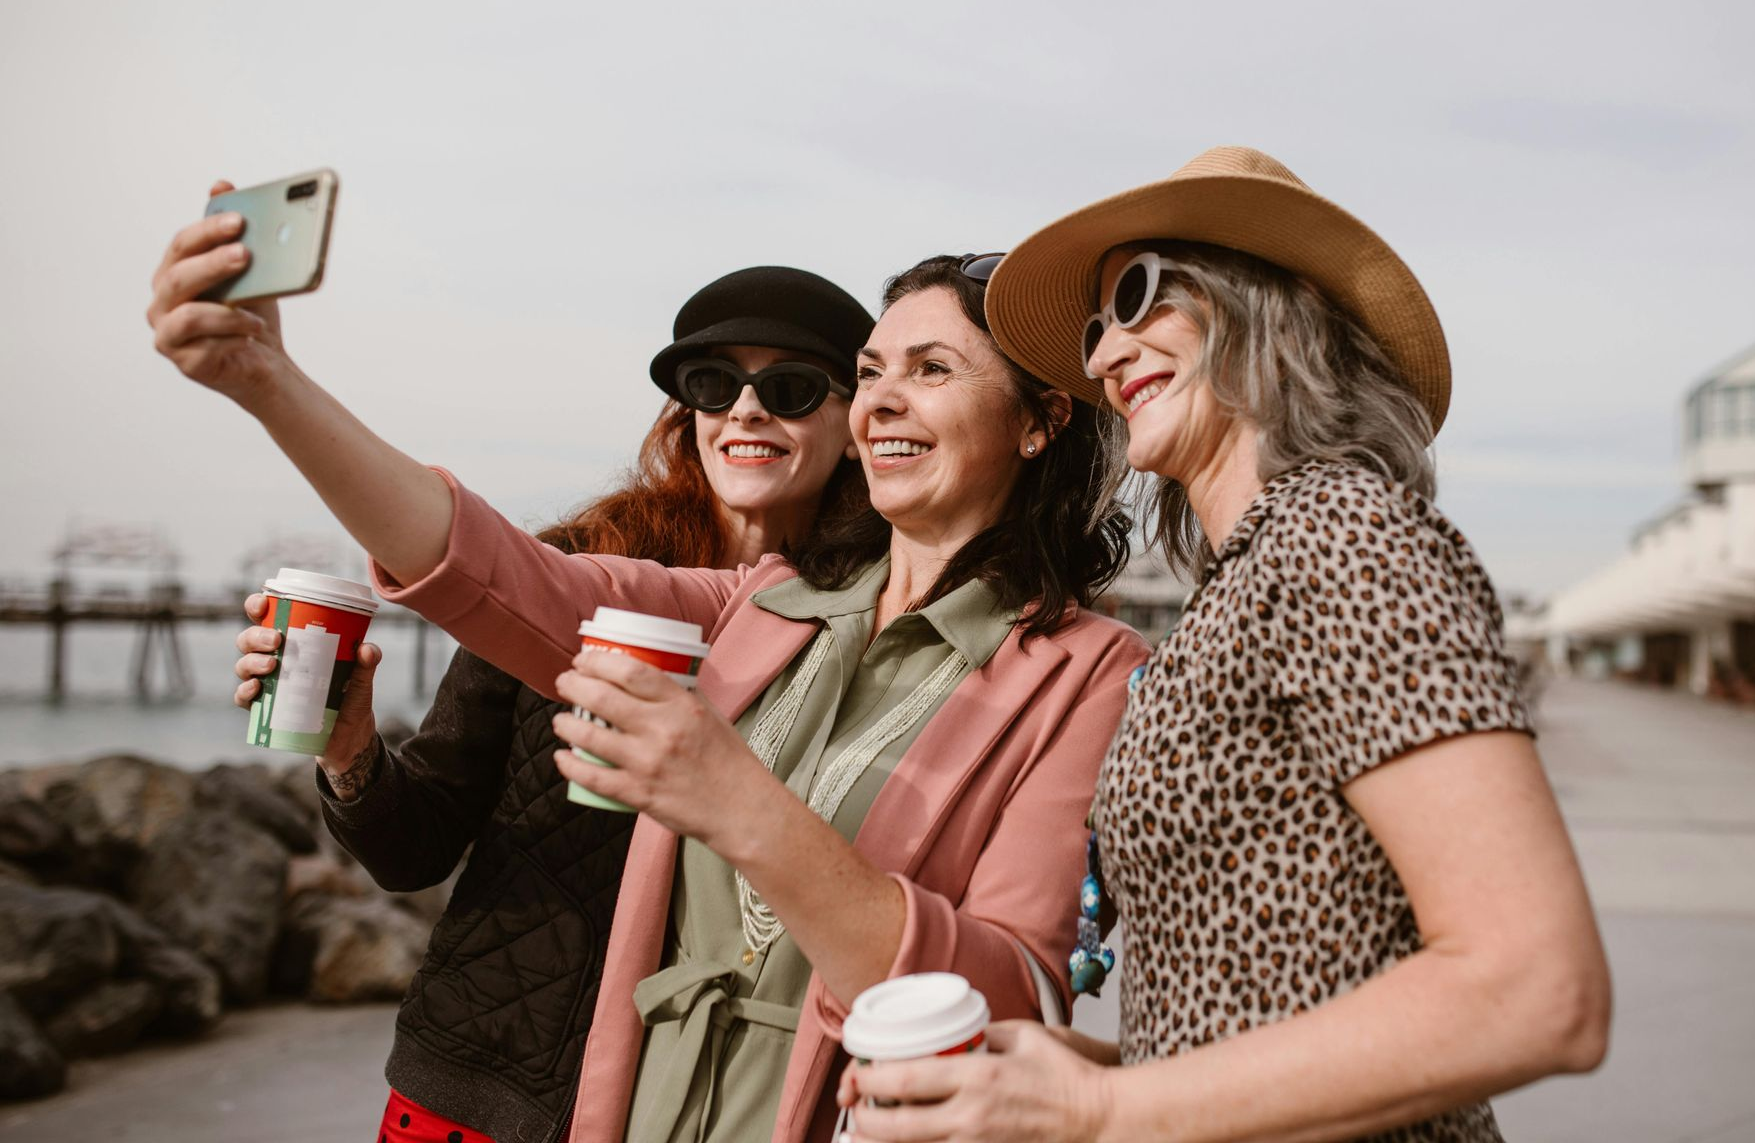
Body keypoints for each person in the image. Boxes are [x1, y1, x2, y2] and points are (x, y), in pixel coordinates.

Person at [148, 220, 1150, 1143]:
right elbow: (490, 569)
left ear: (1040, 422)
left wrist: (735, 802)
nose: (883, 398)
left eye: (931, 370)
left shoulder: (1091, 673)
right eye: (874, 370)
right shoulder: (759, 603)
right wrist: (266, 380)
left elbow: (1015, 994)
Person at [839, 147, 1612, 1142]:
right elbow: (1284, 996)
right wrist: (1081, 1070)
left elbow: (1540, 989)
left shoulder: (1343, 536)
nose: (1109, 352)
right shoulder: (1243, 581)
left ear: (1267, 306)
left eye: (1140, 294)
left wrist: (1100, 1108)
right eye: (1095, 328)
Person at [224, 257, 875, 1143]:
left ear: (854, 423)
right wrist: (348, 750)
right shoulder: (567, 570)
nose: (746, 411)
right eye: (713, 384)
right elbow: (414, 847)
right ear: (687, 415)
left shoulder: (869, 628)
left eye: (791, 387)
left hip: (707, 1106)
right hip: (479, 1082)